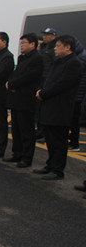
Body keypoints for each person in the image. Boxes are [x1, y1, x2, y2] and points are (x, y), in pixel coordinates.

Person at [33, 35, 82, 180]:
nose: (55, 49)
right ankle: (50, 165)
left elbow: (62, 84)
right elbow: (48, 80)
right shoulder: (58, 62)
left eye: (58, 46)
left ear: (68, 47)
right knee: (50, 139)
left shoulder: (74, 63)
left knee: (59, 141)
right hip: (49, 105)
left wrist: (44, 93)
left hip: (60, 107)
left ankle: (57, 169)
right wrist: (41, 90)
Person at [4, 33, 43, 168]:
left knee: (26, 130)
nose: (21, 46)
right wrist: (11, 83)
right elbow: (15, 75)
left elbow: (29, 77)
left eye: (24, 43)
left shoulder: (37, 59)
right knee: (16, 129)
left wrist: (14, 84)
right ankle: (17, 153)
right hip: (16, 98)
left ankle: (26, 158)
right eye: (21, 44)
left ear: (33, 44)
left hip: (26, 99)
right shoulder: (22, 58)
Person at [35, 28, 57, 139]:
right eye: (44, 34)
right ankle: (40, 130)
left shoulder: (54, 48)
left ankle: (43, 131)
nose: (45, 37)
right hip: (41, 78)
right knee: (39, 107)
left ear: (53, 36)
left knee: (45, 108)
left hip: (48, 79)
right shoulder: (44, 47)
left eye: (48, 35)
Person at [68, 40, 86, 151]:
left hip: (77, 93)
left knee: (74, 119)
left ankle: (74, 143)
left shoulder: (80, 58)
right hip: (76, 92)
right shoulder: (79, 55)